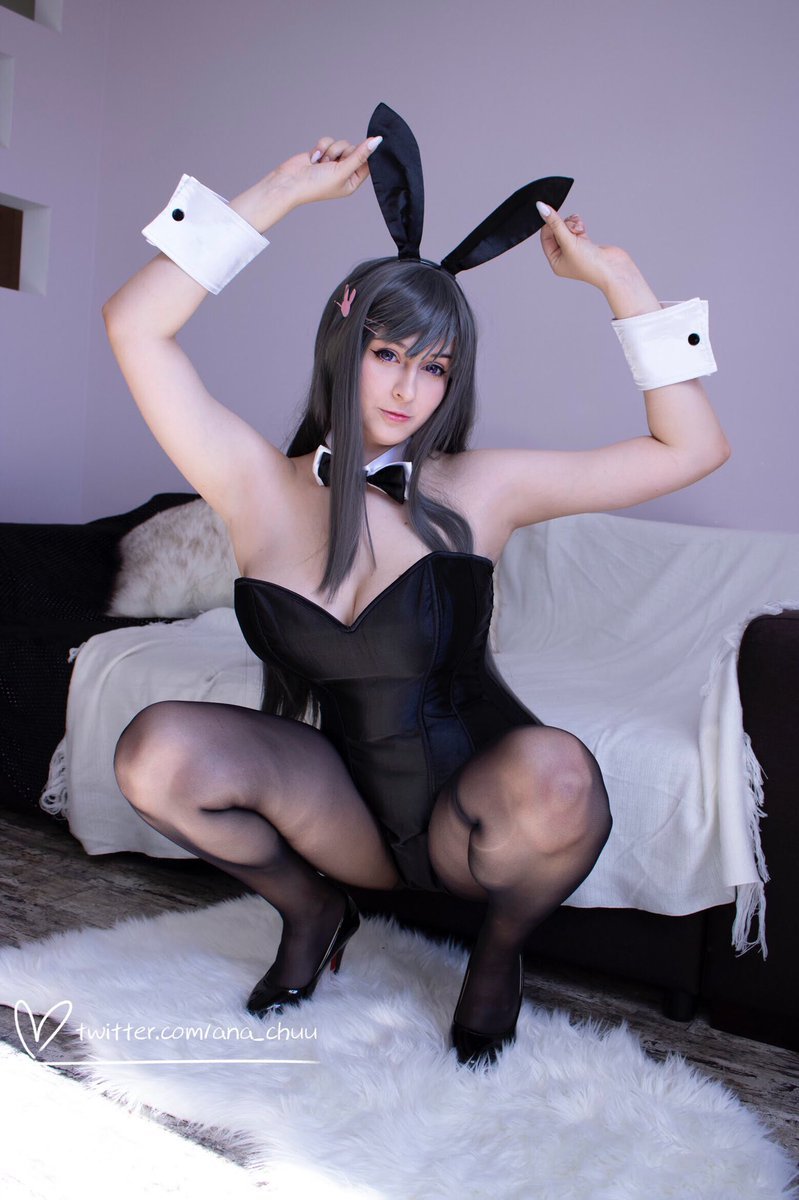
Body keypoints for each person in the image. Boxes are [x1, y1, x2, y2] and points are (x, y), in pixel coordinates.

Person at [102, 122, 729, 1069]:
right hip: (340, 813)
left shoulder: (481, 488)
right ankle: (313, 909)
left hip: (474, 815)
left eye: (434, 367)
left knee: (560, 771)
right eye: (388, 353)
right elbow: (133, 325)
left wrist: (619, 283)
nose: (408, 389)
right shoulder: (253, 485)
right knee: (154, 752)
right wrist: (278, 193)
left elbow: (692, 448)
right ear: (343, 341)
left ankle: (498, 954)